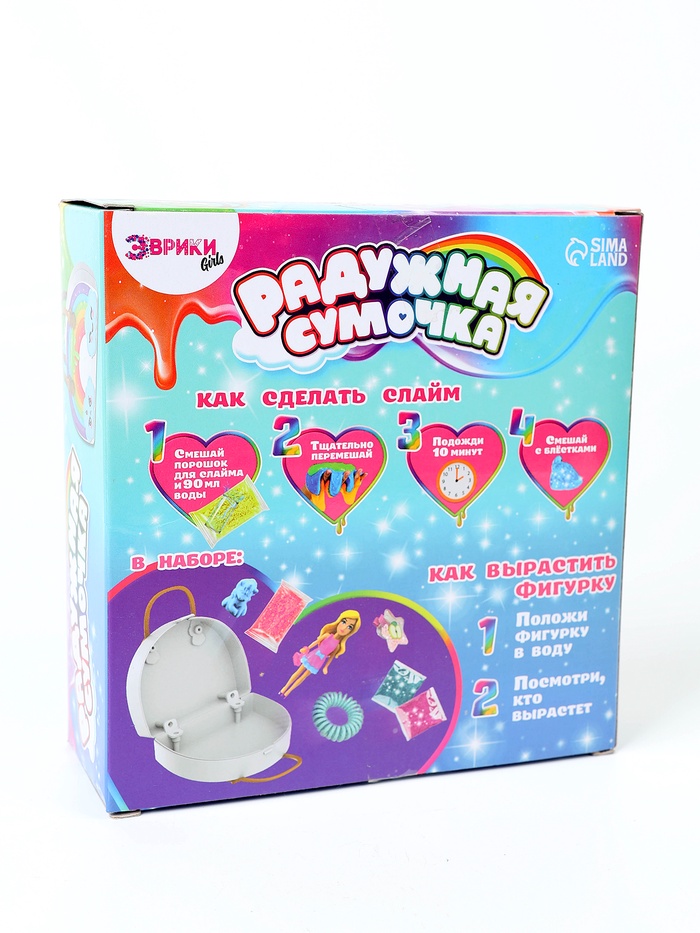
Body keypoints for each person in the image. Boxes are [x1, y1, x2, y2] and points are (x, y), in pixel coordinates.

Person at [280, 610, 361, 697]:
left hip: (319, 661)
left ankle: (288, 692)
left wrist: (326, 667)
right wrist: (307, 648)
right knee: (298, 672)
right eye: (344, 622)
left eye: (349, 627)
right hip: (314, 655)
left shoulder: (337, 646)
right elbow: (316, 642)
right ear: (339, 621)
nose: (344, 628)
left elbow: (331, 657)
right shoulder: (327, 635)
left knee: (303, 676)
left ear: (350, 632)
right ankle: (284, 688)